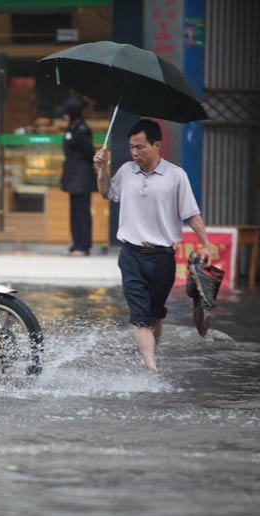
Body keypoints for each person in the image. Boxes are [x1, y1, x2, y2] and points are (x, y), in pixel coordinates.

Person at [93, 118, 212, 372]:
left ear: (157, 145)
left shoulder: (176, 176)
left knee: (155, 315)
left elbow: (191, 213)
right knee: (139, 317)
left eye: (140, 147)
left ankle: (149, 358)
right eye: (131, 147)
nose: (134, 152)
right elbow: (106, 192)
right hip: (131, 255)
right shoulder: (126, 171)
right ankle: (151, 370)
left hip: (162, 258)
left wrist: (206, 244)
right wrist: (102, 169)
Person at [58, 98, 97, 256]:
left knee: (82, 211)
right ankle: (76, 243)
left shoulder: (82, 130)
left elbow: (89, 153)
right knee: (74, 212)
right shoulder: (72, 128)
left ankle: (83, 245)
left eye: (66, 113)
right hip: (72, 176)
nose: (64, 115)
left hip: (82, 176)